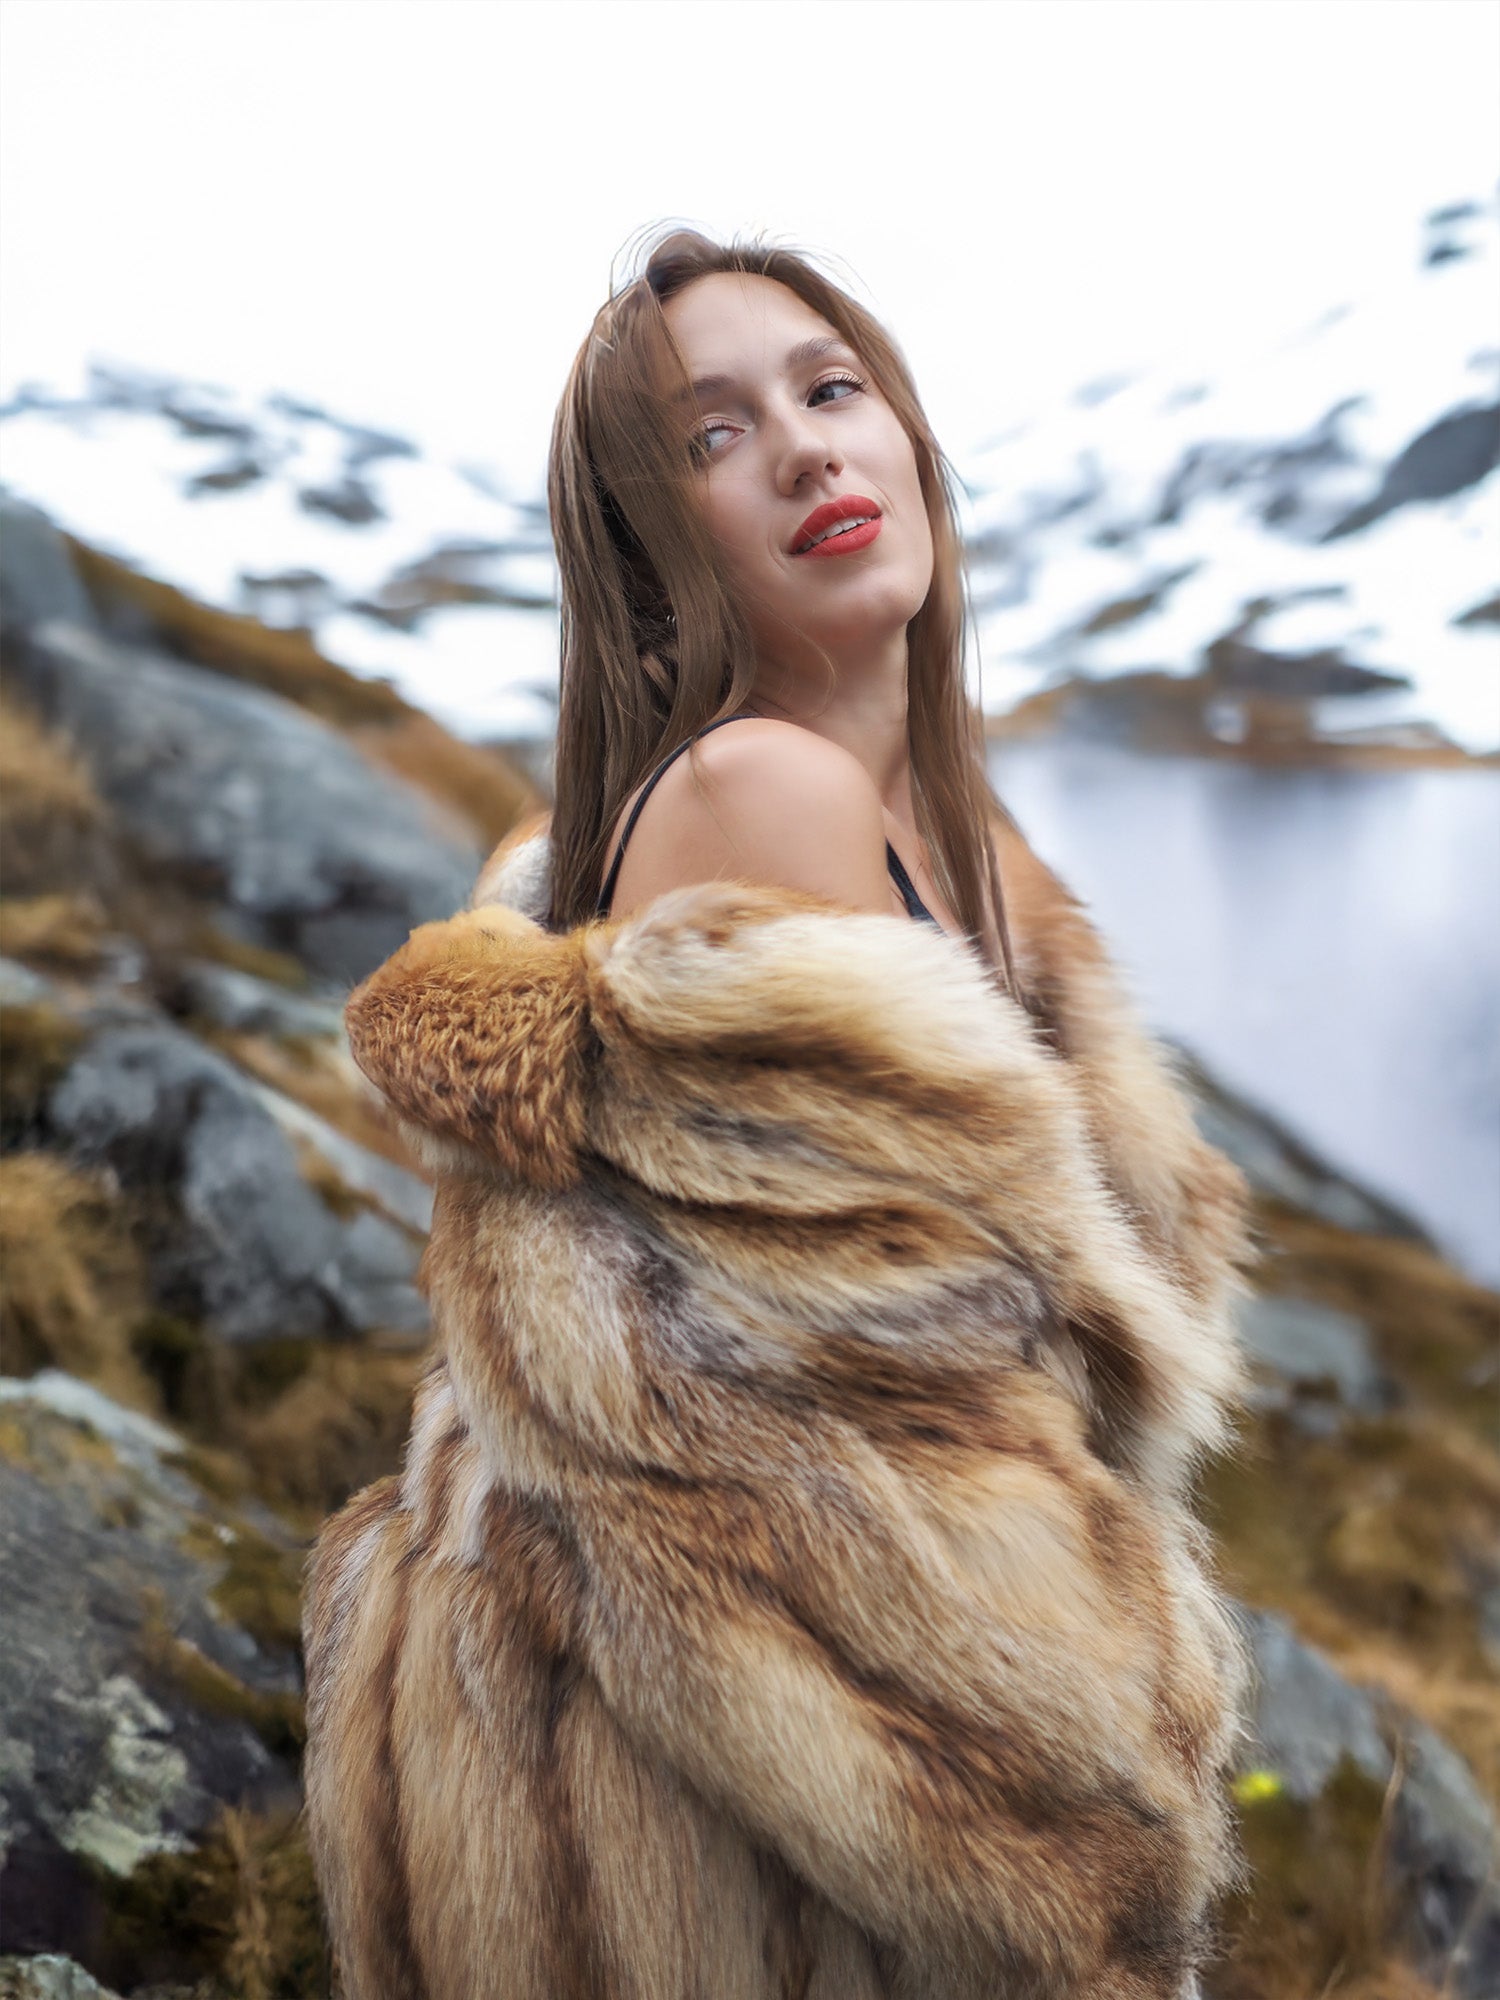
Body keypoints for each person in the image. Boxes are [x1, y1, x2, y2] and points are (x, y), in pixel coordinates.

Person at [303, 229, 1257, 2000]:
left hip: (747, 1786)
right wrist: (1096, 1852)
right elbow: (863, 1452)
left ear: (908, 437)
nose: (809, 450)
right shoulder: (764, 791)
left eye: (831, 389)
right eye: (715, 435)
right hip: (733, 1834)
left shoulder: (979, 861)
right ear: (651, 556)